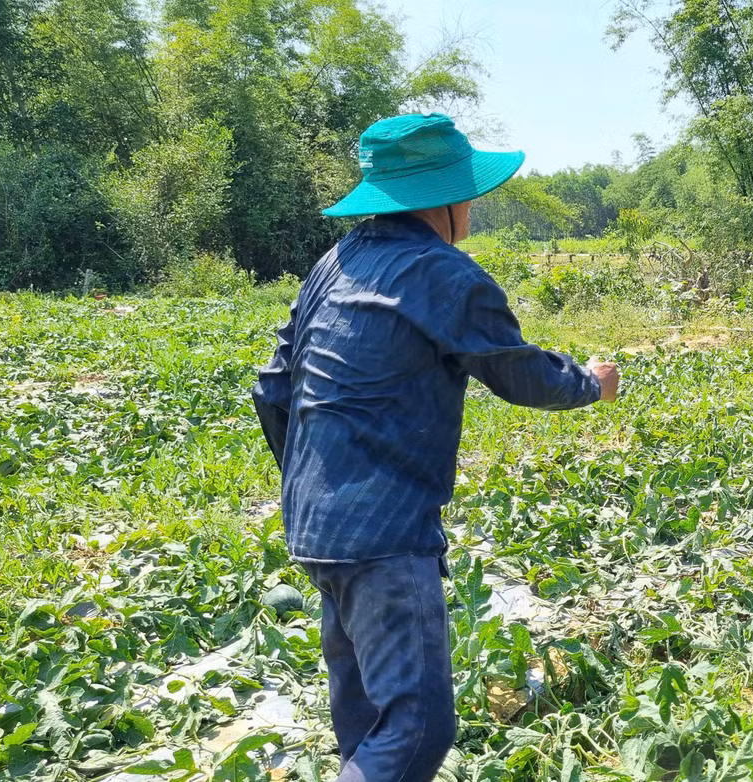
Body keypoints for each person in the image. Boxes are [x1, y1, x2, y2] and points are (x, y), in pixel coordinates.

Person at [252, 112, 620, 779]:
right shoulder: (445, 273)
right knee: (418, 727)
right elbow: (521, 373)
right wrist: (592, 384)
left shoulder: (334, 264)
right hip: (385, 536)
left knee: (366, 719)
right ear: (447, 200)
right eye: (468, 193)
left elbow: (272, 388)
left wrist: (316, 489)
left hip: (312, 526)